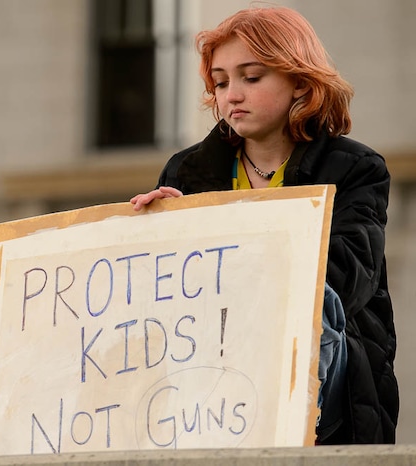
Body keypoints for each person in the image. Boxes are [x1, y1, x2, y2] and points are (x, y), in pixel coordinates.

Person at [130, 6, 398, 444]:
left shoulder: (355, 169)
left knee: (317, 304)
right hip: (209, 388)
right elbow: (164, 308)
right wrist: (154, 234)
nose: (231, 95)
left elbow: (345, 281)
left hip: (327, 392)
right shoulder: (186, 172)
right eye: (220, 82)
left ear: (299, 81)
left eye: (251, 78)